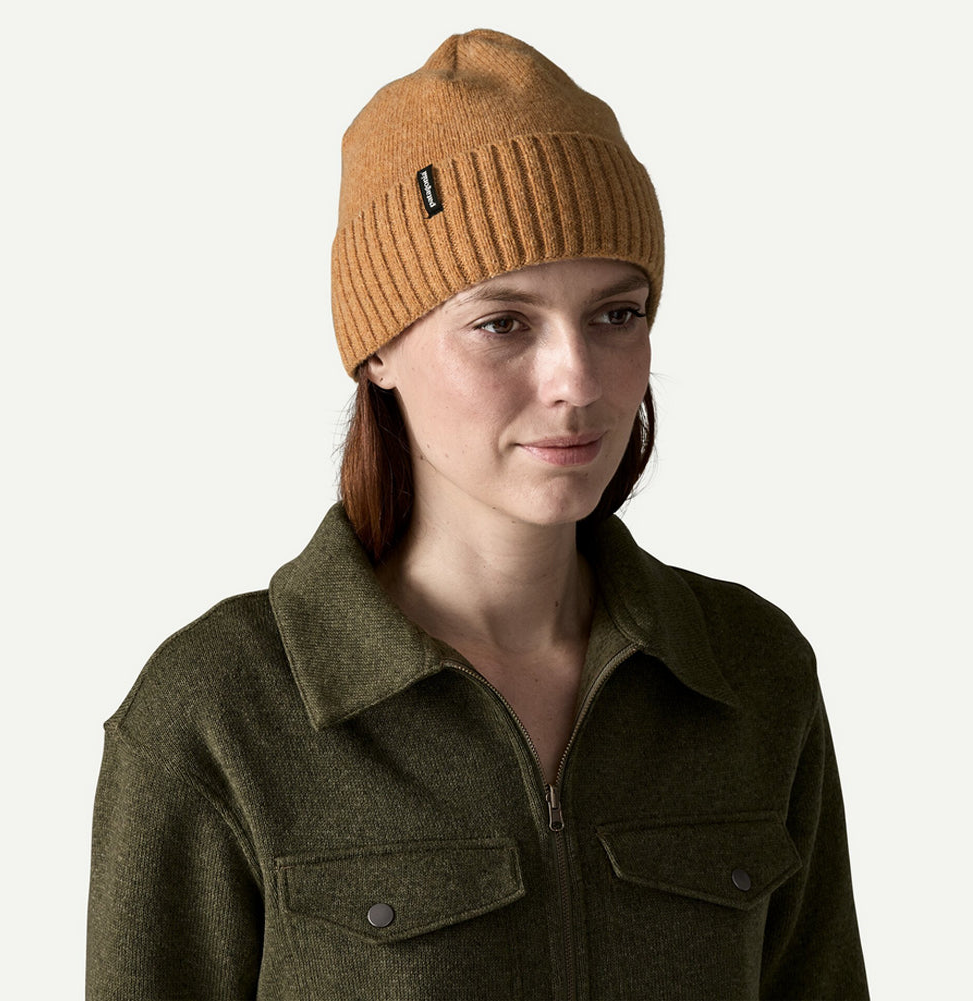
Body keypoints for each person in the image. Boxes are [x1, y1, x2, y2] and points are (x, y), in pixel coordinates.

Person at [86, 29, 868, 1001]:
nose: (576, 379)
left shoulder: (749, 673)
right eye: (503, 322)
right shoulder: (217, 714)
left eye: (616, 314)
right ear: (378, 351)